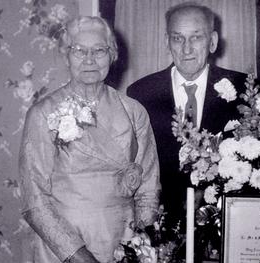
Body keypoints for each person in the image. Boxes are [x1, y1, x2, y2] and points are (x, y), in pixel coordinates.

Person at [19, 16, 160, 263]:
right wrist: (79, 256)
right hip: (64, 248)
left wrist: (141, 247)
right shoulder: (43, 113)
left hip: (123, 242)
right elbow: (35, 201)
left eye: (99, 50)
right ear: (66, 56)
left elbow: (148, 187)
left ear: (112, 55)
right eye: (79, 50)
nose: (89, 59)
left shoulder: (133, 111)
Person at [127, 2, 252, 223]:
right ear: (167, 42)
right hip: (160, 223)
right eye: (178, 38)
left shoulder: (244, 90)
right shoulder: (140, 93)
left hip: (227, 221)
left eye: (196, 37)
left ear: (212, 42)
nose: (187, 49)